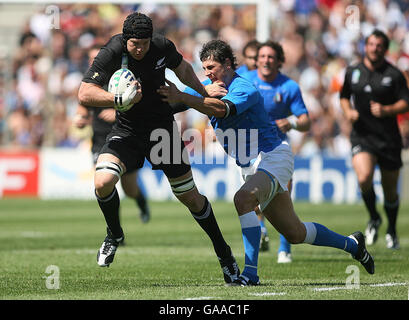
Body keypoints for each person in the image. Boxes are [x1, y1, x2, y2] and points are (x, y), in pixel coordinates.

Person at [158, 39, 375, 286]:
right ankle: (353, 244)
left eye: (211, 67)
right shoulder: (207, 87)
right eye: (204, 68)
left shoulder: (245, 88)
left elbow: (221, 110)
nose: (206, 74)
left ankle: (249, 274)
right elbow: (175, 102)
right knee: (295, 233)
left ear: (227, 64)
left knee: (243, 200)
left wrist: (184, 96)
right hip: (251, 166)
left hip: (273, 156)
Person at [77, 12, 240, 285]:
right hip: (127, 131)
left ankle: (224, 255)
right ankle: (114, 234)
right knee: (103, 181)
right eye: (134, 44)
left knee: (190, 197)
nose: (139, 48)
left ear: (150, 38)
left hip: (162, 131)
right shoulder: (113, 50)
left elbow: (184, 69)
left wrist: (202, 91)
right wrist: (117, 98)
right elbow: (84, 92)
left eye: (144, 43)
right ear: (125, 40)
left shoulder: (162, 46)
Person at [241, 40, 310, 263]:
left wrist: (290, 122)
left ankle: (284, 247)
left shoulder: (289, 86)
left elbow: (305, 121)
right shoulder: (247, 81)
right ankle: (261, 232)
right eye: (262, 56)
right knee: (254, 200)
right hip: (251, 151)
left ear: (279, 61)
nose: (266, 60)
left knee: (283, 197)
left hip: (278, 150)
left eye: (271, 57)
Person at [340, 29, 409, 249]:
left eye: (379, 45)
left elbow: (405, 102)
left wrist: (387, 109)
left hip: (388, 139)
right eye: (371, 44)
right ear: (365, 46)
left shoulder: (394, 74)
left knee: (390, 190)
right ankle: (373, 217)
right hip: (362, 136)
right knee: (364, 177)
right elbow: (343, 96)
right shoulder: (353, 71)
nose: (374, 48)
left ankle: (391, 229)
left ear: (385, 49)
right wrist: (348, 112)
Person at [74, 44, 151, 226]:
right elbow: (82, 106)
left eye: (96, 57)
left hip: (123, 137)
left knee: (130, 189)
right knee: (105, 184)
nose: (94, 61)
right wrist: (80, 119)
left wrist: (116, 112)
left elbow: (139, 104)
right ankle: (115, 231)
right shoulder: (89, 83)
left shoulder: (120, 77)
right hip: (100, 141)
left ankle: (141, 202)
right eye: (91, 58)